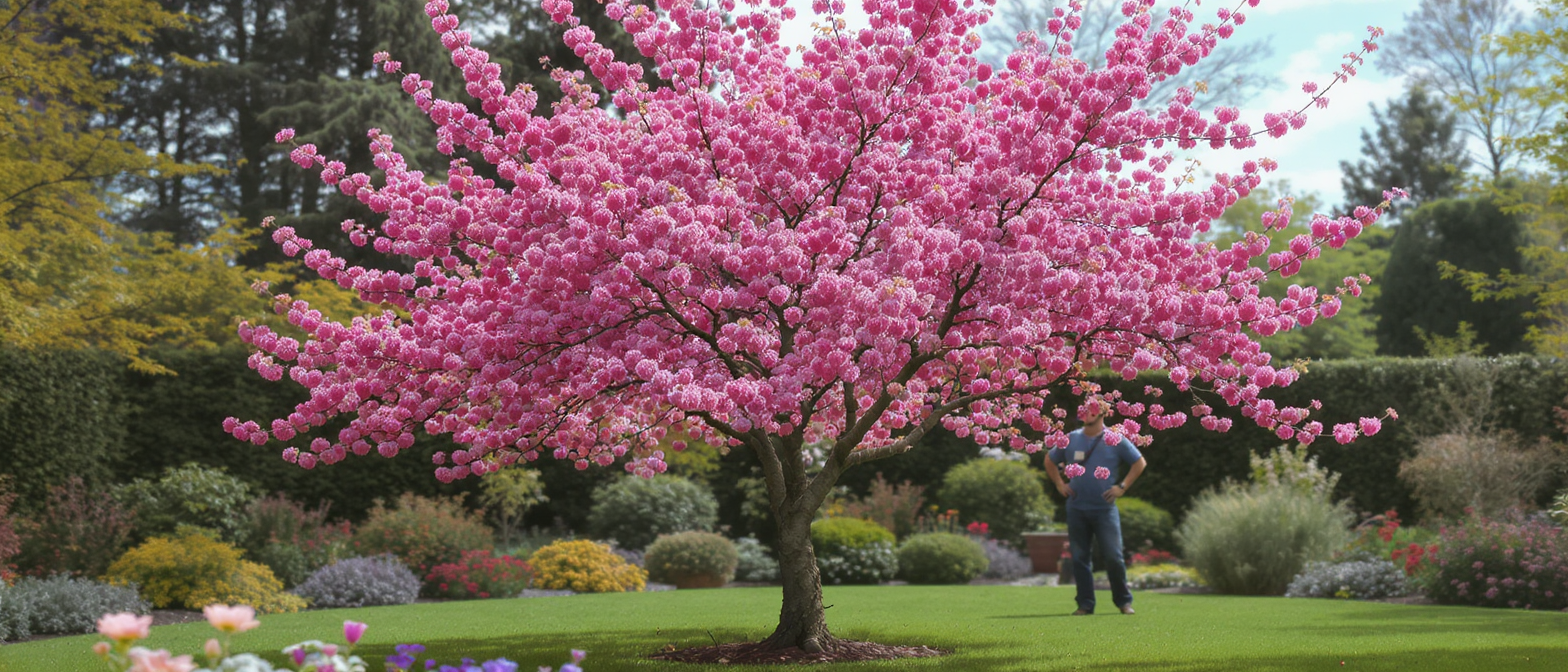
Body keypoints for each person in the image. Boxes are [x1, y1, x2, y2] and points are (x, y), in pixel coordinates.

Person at [1044, 399, 1148, 615]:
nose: (1087, 413)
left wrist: (1122, 487)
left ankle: (1123, 602)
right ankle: (1085, 605)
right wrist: (1059, 484)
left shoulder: (1115, 439)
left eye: (1092, 410)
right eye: (1084, 409)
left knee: (1114, 556)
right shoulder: (1070, 439)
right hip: (1076, 508)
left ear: (1103, 413)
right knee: (1080, 558)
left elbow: (1139, 463)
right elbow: (1049, 459)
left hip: (1105, 509)